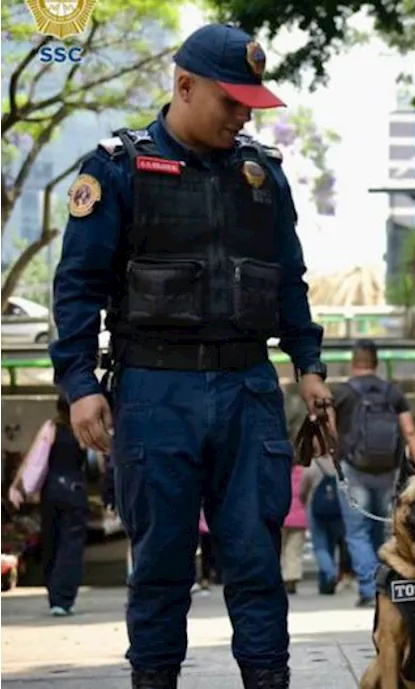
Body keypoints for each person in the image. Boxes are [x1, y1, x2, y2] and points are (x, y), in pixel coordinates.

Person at [48, 24, 331, 689]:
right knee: (160, 565)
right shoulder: (116, 167)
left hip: (247, 389)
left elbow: (288, 279)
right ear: (183, 85)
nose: (242, 116)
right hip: (153, 391)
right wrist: (80, 383)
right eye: (230, 102)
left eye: (250, 106)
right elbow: (78, 284)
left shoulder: (263, 176)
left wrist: (309, 367)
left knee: (257, 562)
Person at [330, 339, 415, 607]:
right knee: (379, 527)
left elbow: (331, 433)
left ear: (353, 362)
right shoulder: (392, 392)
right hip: (387, 470)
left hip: (354, 468)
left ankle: (370, 588)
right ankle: (382, 582)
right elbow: (409, 431)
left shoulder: (342, 393)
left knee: (357, 530)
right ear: (376, 363)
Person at [8, 395, 90, 617]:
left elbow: (35, 459)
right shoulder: (83, 428)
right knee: (71, 545)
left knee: (52, 541)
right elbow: (95, 463)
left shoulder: (50, 427)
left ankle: (54, 595)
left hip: (51, 491)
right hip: (75, 489)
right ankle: (64, 598)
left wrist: (20, 485)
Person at [299, 454, 345, 594]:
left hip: (317, 510)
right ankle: (324, 584)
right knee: (330, 546)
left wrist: (305, 502)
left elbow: (303, 491)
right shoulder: (339, 464)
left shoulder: (312, 466)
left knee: (320, 547)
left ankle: (330, 574)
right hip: (337, 511)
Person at [280, 465, 308, 594]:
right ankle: (292, 577)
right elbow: (305, 492)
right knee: (295, 551)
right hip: (300, 518)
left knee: (281, 549)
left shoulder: (278, 471)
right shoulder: (302, 472)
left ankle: (282, 576)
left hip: (281, 516)